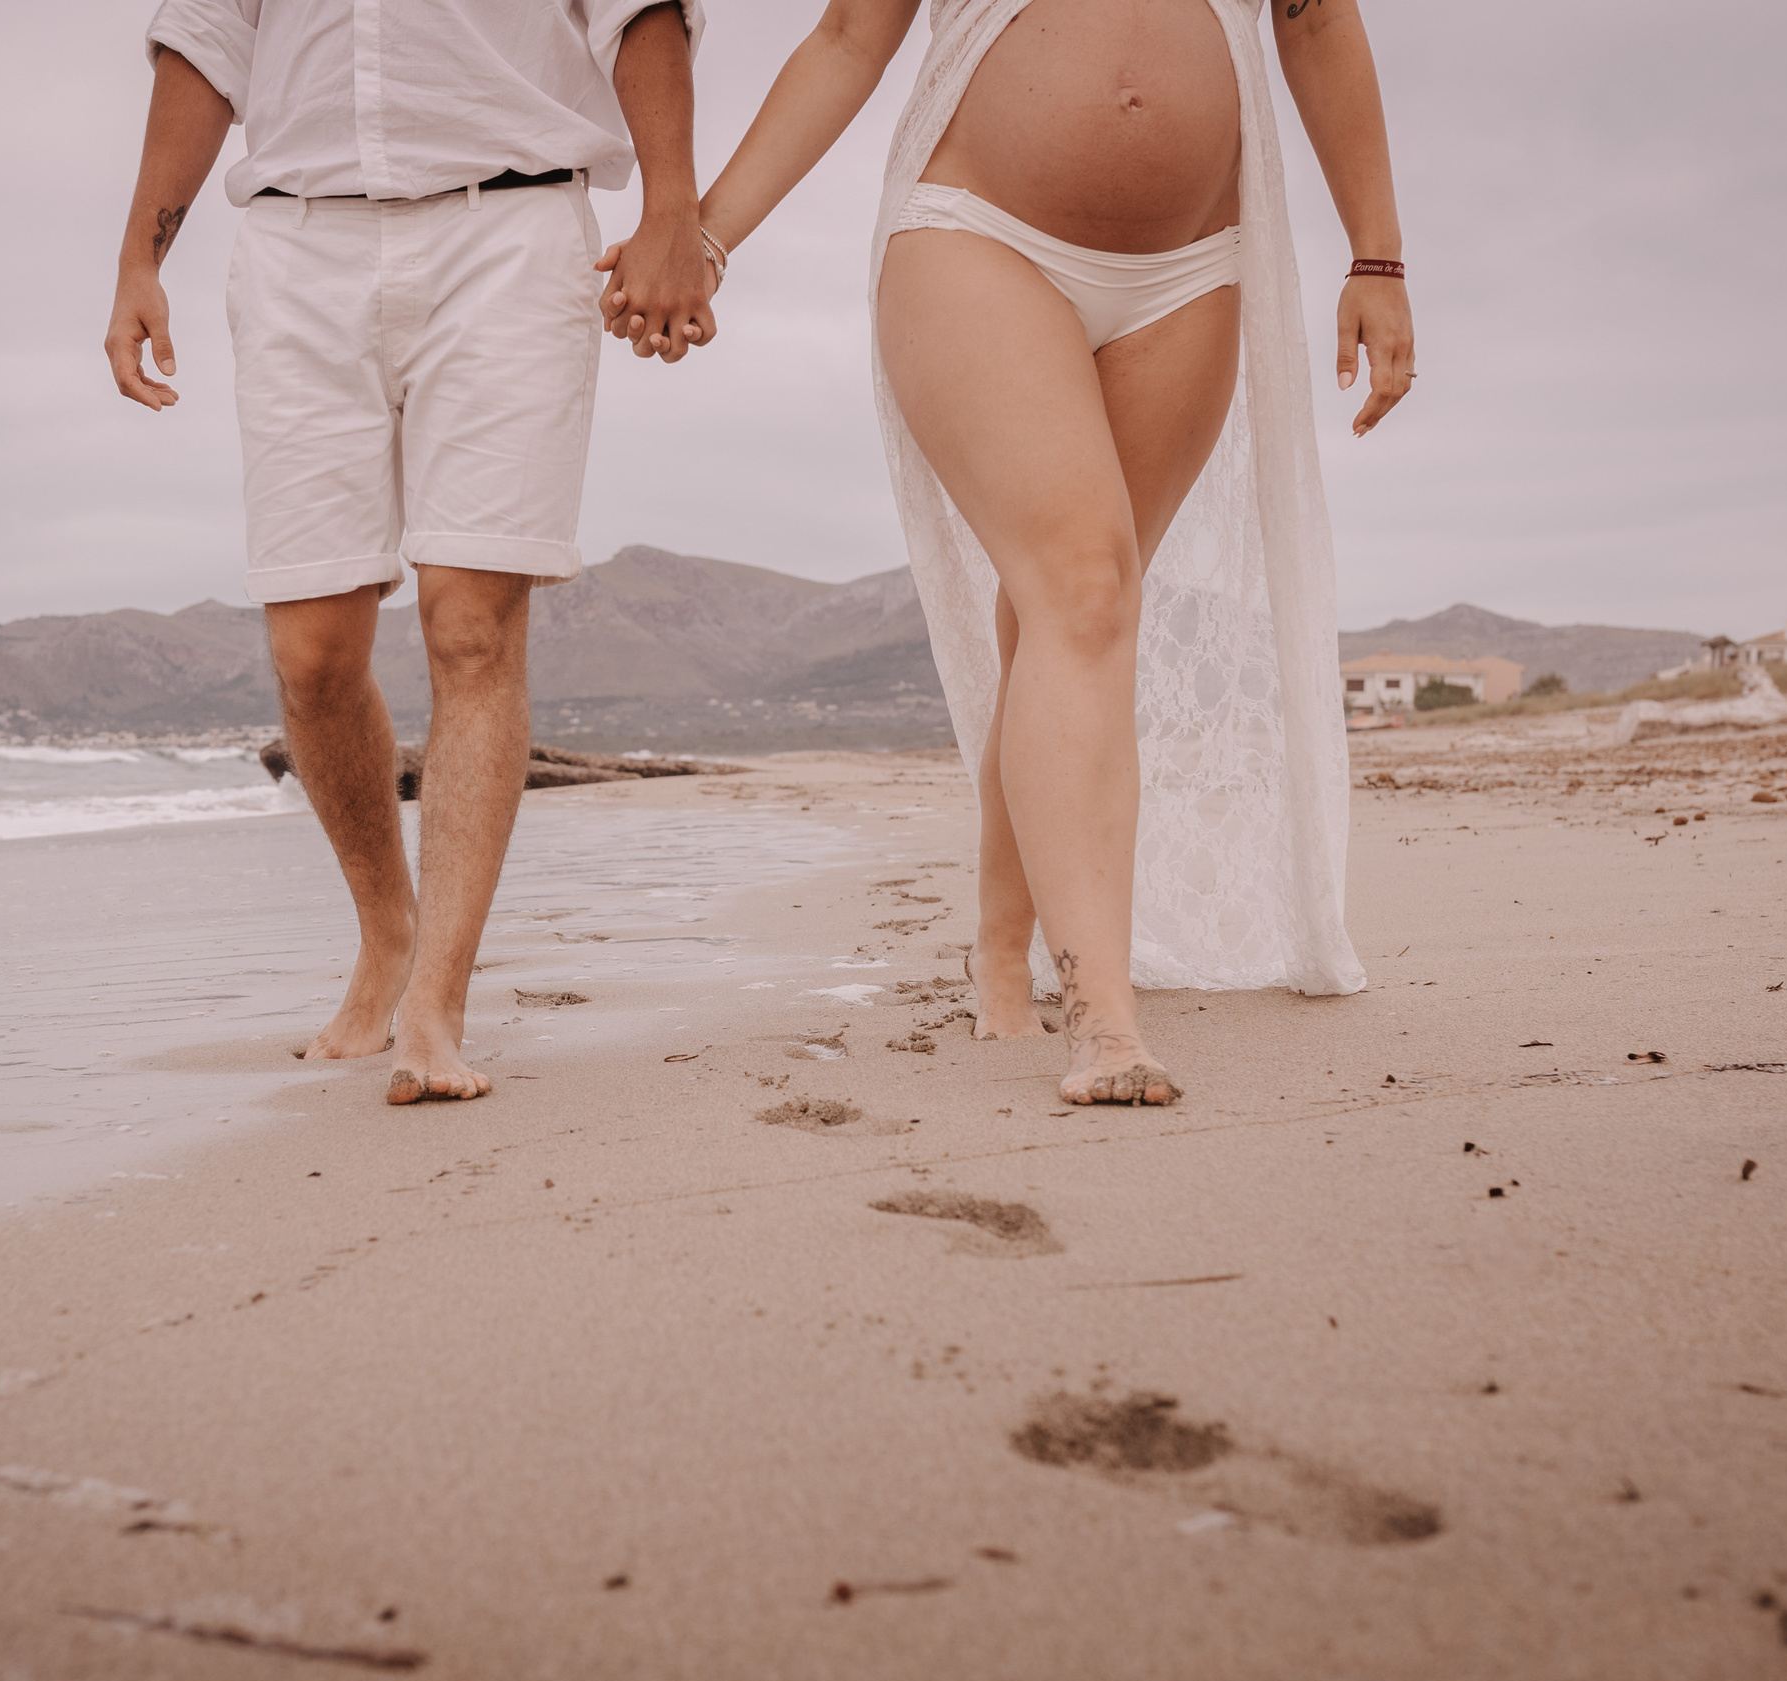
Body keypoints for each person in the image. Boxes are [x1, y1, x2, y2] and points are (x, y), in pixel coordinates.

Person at [603, 0, 1408, 1106]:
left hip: (1189, 271)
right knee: (1082, 591)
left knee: (1063, 617)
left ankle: (999, 948)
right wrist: (704, 235)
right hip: (975, 237)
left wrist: (1378, 257)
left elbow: (1314, 24)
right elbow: (847, 40)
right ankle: (1104, 1019)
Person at [107, 1, 717, 1104]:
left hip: (512, 227)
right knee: (311, 652)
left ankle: (435, 1003)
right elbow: (204, 41)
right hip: (297, 244)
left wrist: (674, 204)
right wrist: (139, 260)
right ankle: (387, 933)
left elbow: (642, 13)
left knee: (471, 626)